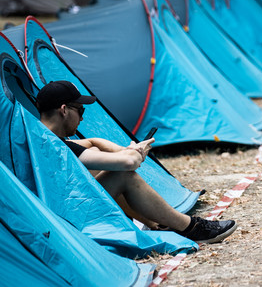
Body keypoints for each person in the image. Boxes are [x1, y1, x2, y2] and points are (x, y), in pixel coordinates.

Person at [36, 80, 236, 244]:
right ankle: (190, 228)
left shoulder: (37, 136)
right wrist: (136, 151)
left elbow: (90, 143)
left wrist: (124, 151)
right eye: (80, 111)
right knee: (122, 174)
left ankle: (156, 222)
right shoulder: (58, 146)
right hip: (67, 220)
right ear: (64, 110)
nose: (82, 119)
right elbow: (128, 164)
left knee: (98, 155)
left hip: (55, 214)